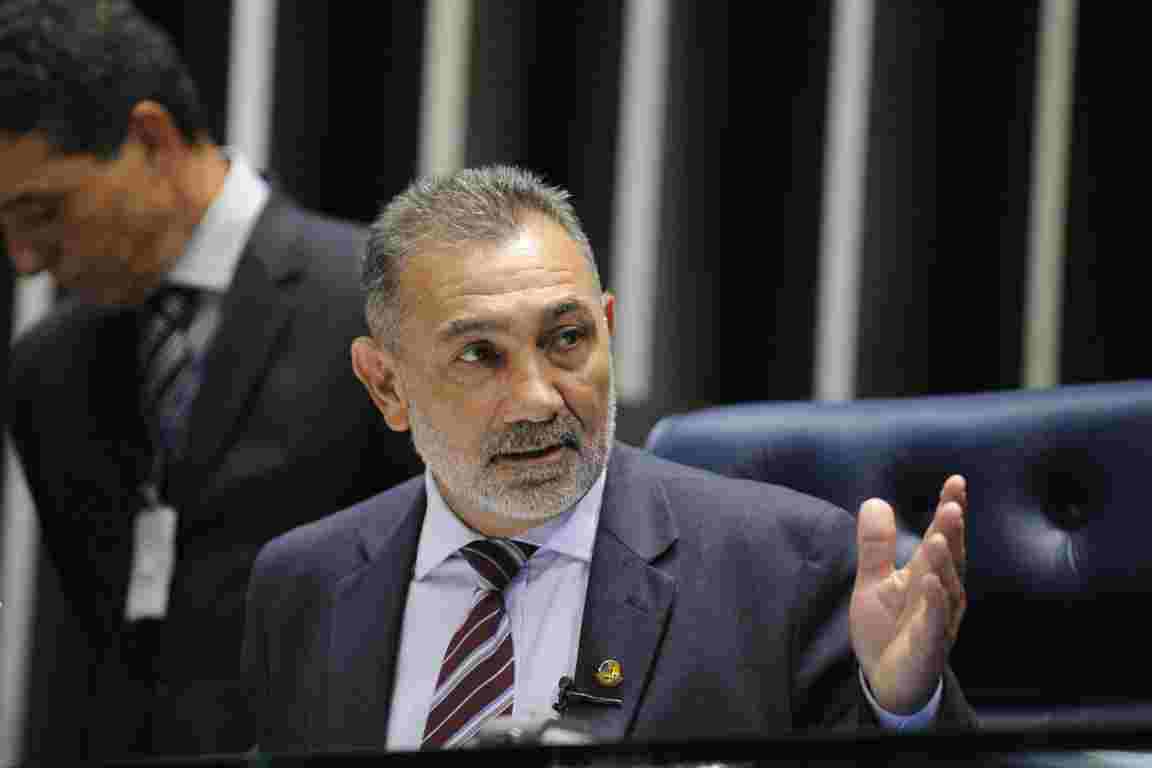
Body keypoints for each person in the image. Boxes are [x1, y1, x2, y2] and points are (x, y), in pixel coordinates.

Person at [242, 165, 974, 752]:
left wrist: (902, 711)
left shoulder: (787, 569)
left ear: (607, 327)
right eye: (480, 355)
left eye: (567, 339)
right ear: (386, 384)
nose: (537, 400)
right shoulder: (304, 587)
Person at [0, 0, 421, 759]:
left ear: (151, 138)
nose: (25, 259)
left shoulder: (387, 307)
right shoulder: (46, 372)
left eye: (42, 211)